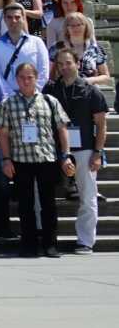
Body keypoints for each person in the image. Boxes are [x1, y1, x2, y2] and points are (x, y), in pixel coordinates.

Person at [0, 61, 73, 257]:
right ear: (17, 80)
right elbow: (3, 134)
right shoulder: (8, 103)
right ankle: (29, 244)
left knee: (49, 204)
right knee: (25, 204)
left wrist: (65, 155)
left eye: (30, 77)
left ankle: (50, 244)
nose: (26, 81)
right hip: (21, 159)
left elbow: (62, 129)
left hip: (46, 158)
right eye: (22, 77)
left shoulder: (49, 101)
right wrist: (6, 159)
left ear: (36, 78)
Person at [43, 48, 108, 254]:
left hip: (85, 150)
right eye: (60, 64)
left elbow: (101, 124)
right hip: (54, 149)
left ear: (77, 64)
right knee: (44, 195)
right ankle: (44, 237)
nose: (64, 67)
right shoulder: (51, 90)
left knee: (87, 197)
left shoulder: (91, 91)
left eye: (68, 63)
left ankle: (85, 240)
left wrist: (98, 152)